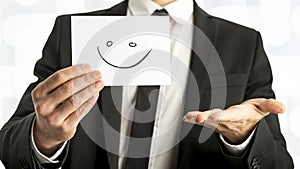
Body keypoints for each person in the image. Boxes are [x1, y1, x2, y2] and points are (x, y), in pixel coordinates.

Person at [0, 0, 294, 168]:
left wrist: (243, 138)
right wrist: (45, 137)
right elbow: (11, 147)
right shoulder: (72, 31)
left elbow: (278, 163)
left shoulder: (243, 43)